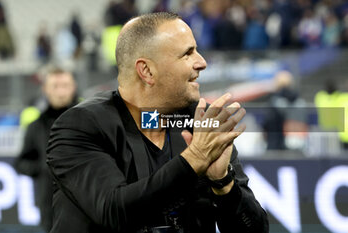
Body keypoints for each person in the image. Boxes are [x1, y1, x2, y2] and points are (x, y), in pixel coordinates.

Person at [47, 12, 268, 233]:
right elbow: (114, 211)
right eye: (187, 53)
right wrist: (194, 160)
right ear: (147, 71)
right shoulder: (81, 125)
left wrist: (223, 183)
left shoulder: (200, 122)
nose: (202, 62)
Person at [15, 67, 78, 232]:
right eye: (55, 86)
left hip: (86, 201)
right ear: (45, 90)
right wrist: (43, 168)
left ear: (73, 87)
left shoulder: (91, 120)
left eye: (65, 85)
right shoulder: (36, 125)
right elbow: (22, 162)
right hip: (50, 204)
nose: (61, 91)